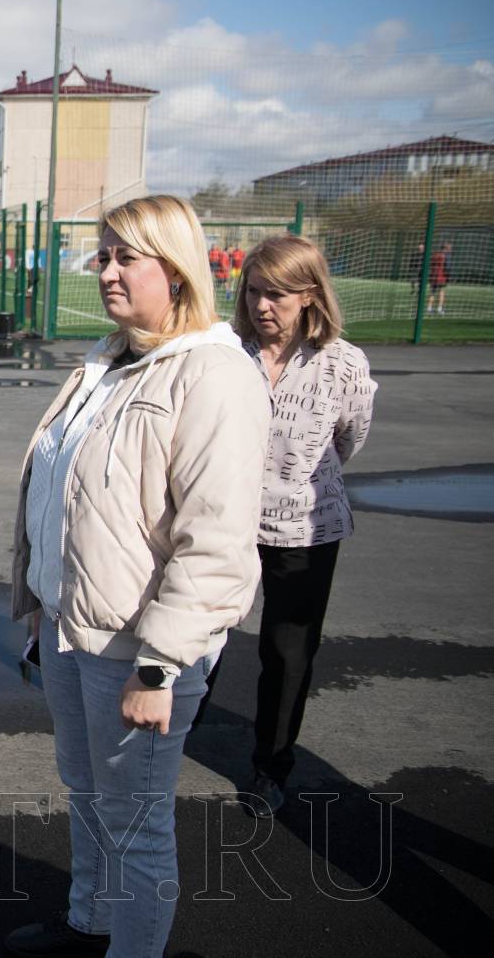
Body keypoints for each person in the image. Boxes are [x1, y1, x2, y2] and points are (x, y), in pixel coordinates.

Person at [4, 195, 269, 958]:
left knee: (137, 825)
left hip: (139, 650)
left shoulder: (215, 375)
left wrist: (158, 666)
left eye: (128, 258)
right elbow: (64, 495)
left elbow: (215, 544)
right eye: (104, 255)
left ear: (177, 270)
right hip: (69, 627)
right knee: (87, 792)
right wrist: (43, 601)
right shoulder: (109, 360)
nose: (107, 272)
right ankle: (89, 923)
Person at [222, 234, 376, 818]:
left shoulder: (344, 362)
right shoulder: (226, 352)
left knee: (287, 653)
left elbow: (348, 438)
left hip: (307, 530)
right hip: (226, 522)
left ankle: (271, 768)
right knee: (201, 635)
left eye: (278, 295)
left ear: (309, 294)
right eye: (253, 291)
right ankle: (169, 734)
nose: (262, 306)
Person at [430, 241, 451, 316]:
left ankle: (429, 308)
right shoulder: (445, 256)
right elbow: (447, 267)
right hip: (441, 276)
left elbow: (431, 264)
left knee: (432, 292)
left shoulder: (435, 254)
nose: (450, 250)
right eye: (449, 248)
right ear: (446, 248)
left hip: (433, 275)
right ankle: (439, 308)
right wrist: (448, 276)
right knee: (441, 291)